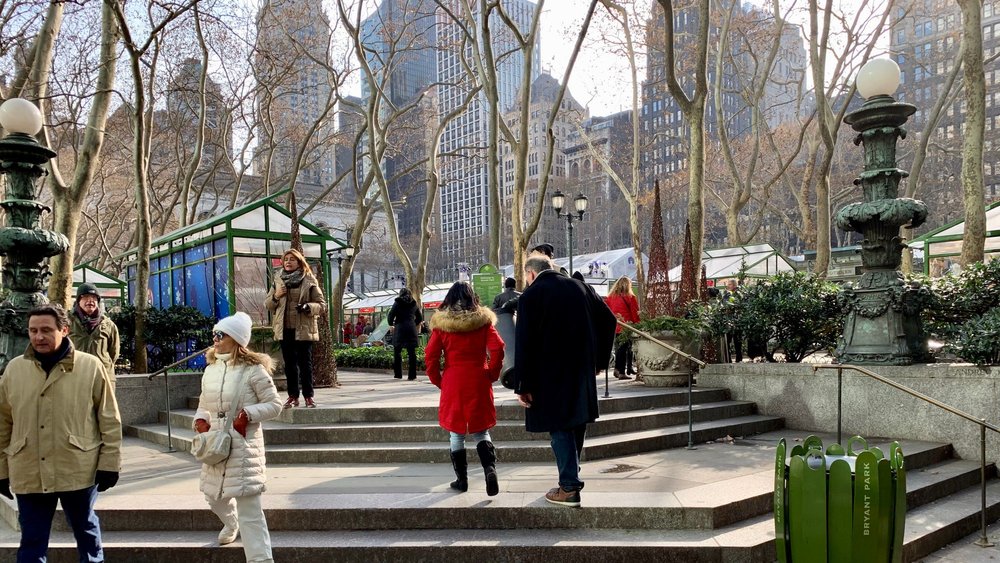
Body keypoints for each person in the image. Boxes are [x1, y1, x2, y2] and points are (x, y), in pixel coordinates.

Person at [0, 303, 122, 562]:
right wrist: (1, 469)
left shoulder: (90, 367)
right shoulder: (14, 369)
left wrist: (110, 463)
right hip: (28, 467)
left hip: (77, 467)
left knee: (86, 533)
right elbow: (3, 422)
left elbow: (109, 419)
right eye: (33, 330)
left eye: (46, 330)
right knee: (31, 540)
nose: (38, 336)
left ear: (64, 330)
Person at [514, 256, 616, 508]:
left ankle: (569, 487)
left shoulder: (530, 296)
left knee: (559, 425)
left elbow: (524, 343)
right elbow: (609, 320)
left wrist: (523, 385)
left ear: (531, 274)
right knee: (576, 420)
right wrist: (600, 360)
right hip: (581, 369)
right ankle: (570, 477)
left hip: (547, 374)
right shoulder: (580, 287)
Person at [194, 312, 282, 562]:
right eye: (215, 334)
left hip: (244, 445)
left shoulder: (254, 370)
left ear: (235, 339)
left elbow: (275, 404)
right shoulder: (210, 369)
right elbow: (204, 404)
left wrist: (248, 414)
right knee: (213, 497)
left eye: (220, 334)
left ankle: (261, 559)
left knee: (250, 510)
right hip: (216, 443)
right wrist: (200, 421)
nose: (215, 339)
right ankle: (231, 524)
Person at [424, 282, 505, 496]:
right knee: (481, 431)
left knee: (456, 433)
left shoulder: (442, 325)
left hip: (453, 381)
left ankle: (462, 480)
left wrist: (439, 381)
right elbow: (498, 348)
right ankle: (490, 469)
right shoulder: (483, 322)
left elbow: (430, 356)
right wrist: (491, 374)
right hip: (478, 378)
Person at [265, 249, 326, 409]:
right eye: (286, 259)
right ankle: (293, 397)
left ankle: (308, 397)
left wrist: (308, 306)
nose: (288, 262)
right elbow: (268, 305)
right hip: (284, 330)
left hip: (304, 329)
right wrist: (276, 295)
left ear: (299, 262)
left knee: (305, 365)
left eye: (292, 259)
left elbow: (321, 305)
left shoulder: (309, 280)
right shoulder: (278, 281)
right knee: (290, 365)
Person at [68, 282, 121, 390]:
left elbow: (114, 353)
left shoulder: (108, 325)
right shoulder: (67, 322)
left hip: (103, 376)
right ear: (78, 301)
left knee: (105, 406)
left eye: (94, 298)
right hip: (75, 375)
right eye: (85, 297)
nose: (90, 301)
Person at [605, 276, 640, 379]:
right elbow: (635, 313)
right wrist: (638, 324)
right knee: (624, 349)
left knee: (618, 349)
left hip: (615, 326)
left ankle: (617, 369)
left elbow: (607, 311)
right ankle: (621, 372)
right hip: (626, 326)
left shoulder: (610, 297)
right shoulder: (630, 297)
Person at [387, 288, 423, 380]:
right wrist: (412, 323)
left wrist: (391, 324)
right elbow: (419, 317)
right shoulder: (414, 303)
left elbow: (391, 315)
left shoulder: (397, 302)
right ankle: (412, 375)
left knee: (397, 351)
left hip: (400, 329)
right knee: (411, 353)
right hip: (411, 329)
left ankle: (398, 374)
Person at [723, 279, 743, 363]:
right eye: (728, 284)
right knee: (727, 341)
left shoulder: (740, 295)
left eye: (730, 284)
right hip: (728, 321)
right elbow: (723, 305)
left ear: (734, 285)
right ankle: (729, 359)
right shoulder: (726, 295)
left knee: (737, 342)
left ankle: (739, 359)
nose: (728, 286)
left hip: (737, 321)